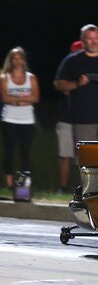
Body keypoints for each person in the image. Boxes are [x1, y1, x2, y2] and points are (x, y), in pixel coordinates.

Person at [1, 47, 39, 189]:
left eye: (19, 58)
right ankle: (10, 183)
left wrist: (16, 99)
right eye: (14, 59)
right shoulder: (5, 78)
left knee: (25, 152)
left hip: (27, 120)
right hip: (9, 118)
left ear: (23, 60)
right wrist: (23, 99)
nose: (17, 61)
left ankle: (25, 183)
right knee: (9, 150)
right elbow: (5, 98)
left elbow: (35, 97)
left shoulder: (31, 78)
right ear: (10, 61)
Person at [54, 40, 83, 194]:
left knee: (83, 158)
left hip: (83, 120)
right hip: (65, 118)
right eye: (76, 51)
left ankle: (83, 189)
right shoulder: (66, 69)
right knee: (65, 155)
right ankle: (62, 187)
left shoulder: (88, 70)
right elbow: (62, 87)